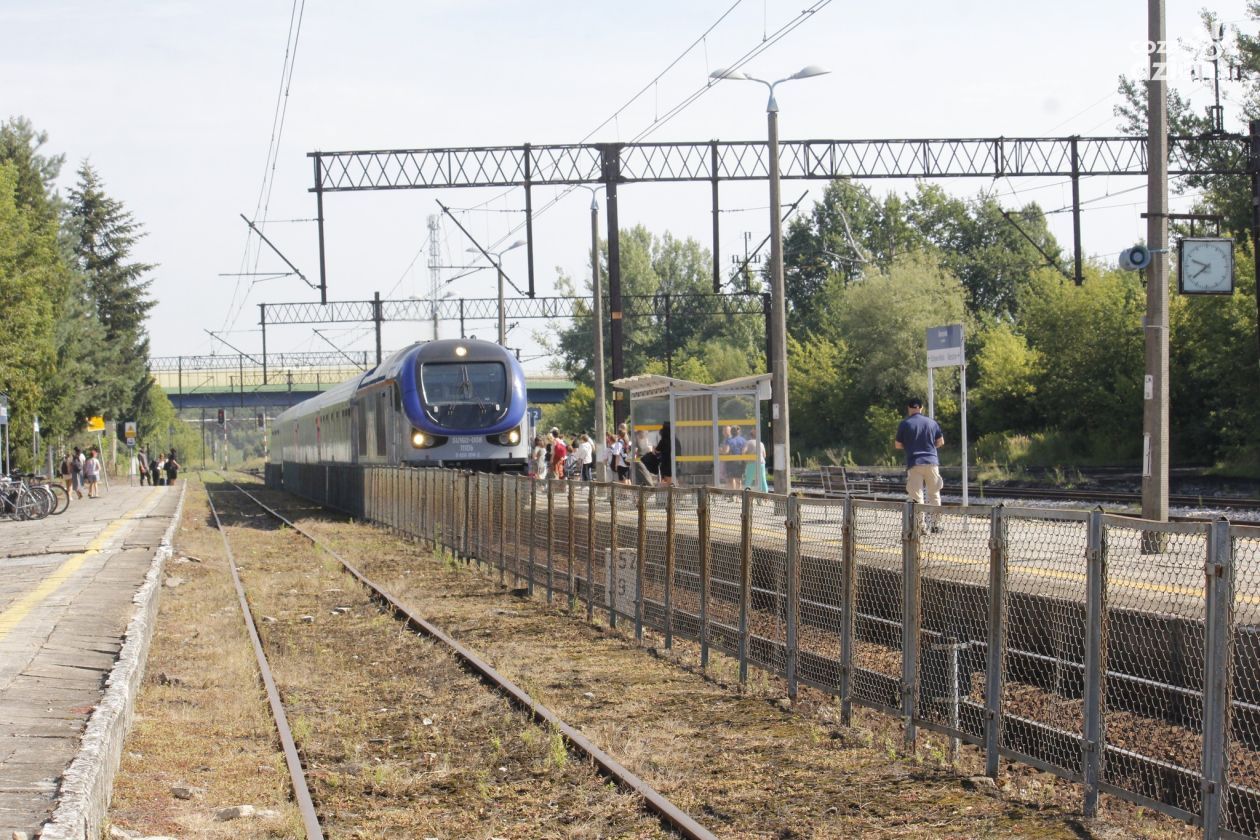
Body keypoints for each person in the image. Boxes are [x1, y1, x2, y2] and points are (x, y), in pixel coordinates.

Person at [894, 397, 945, 532]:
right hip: (932, 462)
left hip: (914, 463)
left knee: (917, 496)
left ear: (909, 408)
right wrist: (930, 447)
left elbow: (897, 445)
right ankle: (936, 525)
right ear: (921, 408)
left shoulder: (905, 424)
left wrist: (911, 445)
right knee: (934, 494)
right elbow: (941, 442)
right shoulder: (932, 423)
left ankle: (920, 526)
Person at [743, 427, 768, 493]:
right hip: (761, 463)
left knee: (748, 479)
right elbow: (764, 455)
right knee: (763, 479)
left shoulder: (748, 442)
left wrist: (745, 460)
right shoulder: (761, 443)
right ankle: (766, 497)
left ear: (750, 436)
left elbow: (743, 452)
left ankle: (746, 495)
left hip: (751, 463)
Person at [654, 421, 678, 486]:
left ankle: (671, 494)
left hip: (666, 463)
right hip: (674, 463)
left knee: (668, 482)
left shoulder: (663, 440)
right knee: (673, 481)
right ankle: (675, 493)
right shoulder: (675, 440)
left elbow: (656, 450)